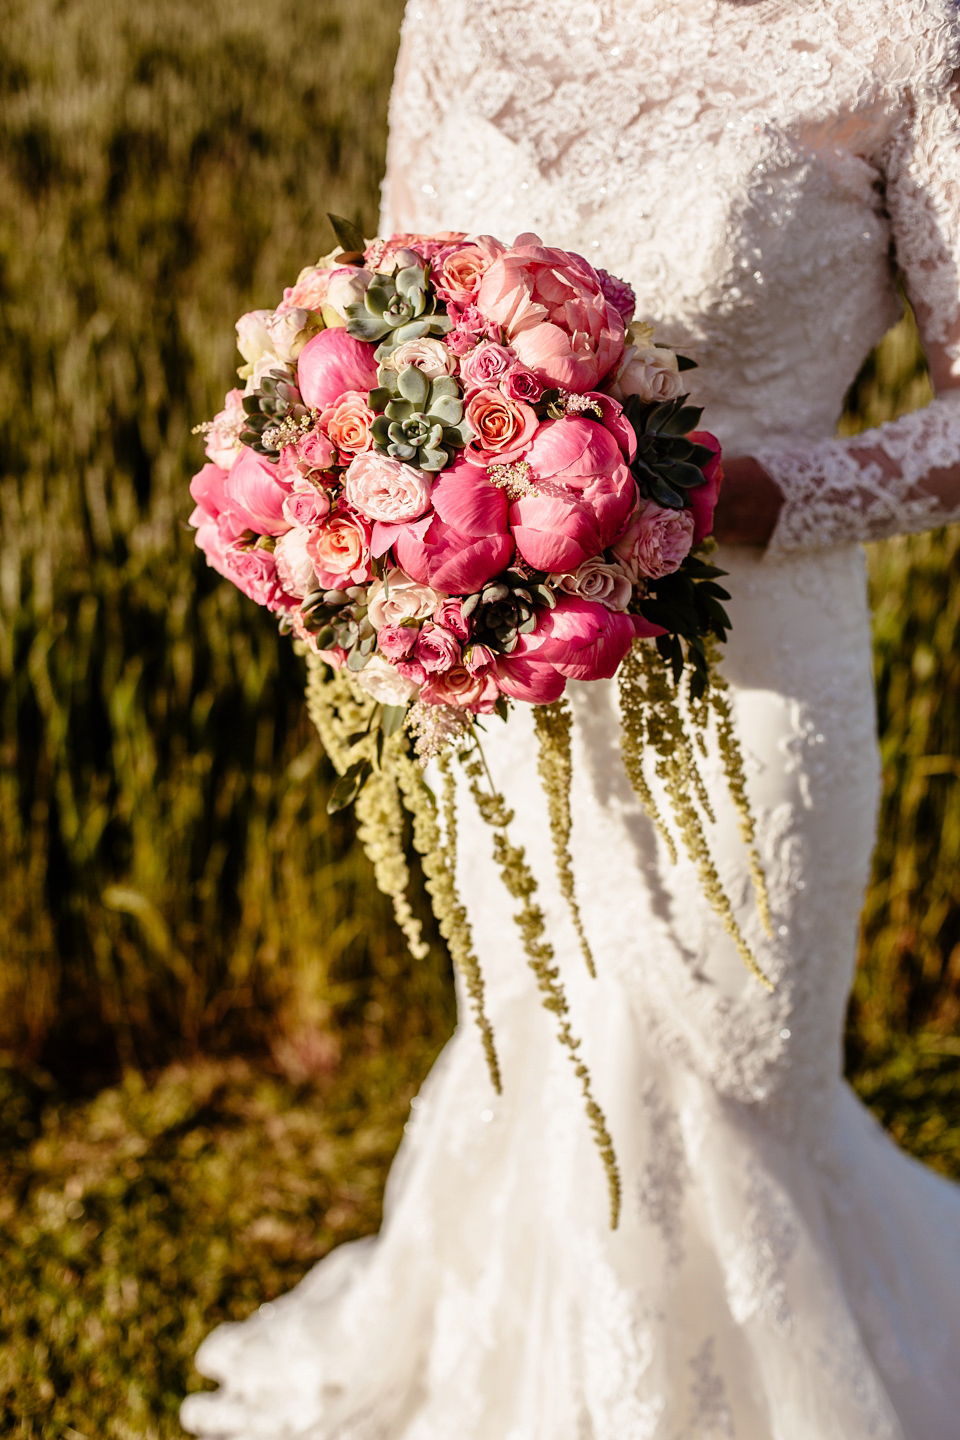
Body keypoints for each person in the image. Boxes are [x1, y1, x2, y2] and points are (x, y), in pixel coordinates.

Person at [182, 2, 960, 1435]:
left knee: (738, 1064)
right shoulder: (464, 10)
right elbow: (387, 307)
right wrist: (369, 517)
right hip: (498, 652)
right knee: (550, 1042)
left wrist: (743, 498)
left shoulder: (898, 35)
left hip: (763, 649)